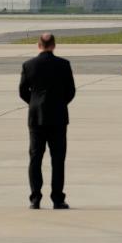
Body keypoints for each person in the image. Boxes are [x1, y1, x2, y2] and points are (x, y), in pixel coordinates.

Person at [19, 32, 76, 209]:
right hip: (58, 117)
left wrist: (34, 103)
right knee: (58, 160)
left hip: (36, 118)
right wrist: (59, 103)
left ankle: (35, 199)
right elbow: (71, 91)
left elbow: (22, 91)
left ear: (39, 45)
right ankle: (58, 199)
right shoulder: (64, 64)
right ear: (54, 45)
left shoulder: (28, 65)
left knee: (35, 159)